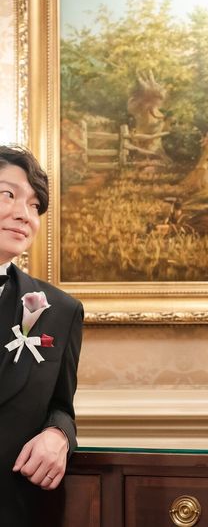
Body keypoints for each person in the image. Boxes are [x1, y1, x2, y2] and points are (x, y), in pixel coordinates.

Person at [0, 146, 83, 526]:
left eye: (35, 206)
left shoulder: (59, 311)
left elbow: (61, 406)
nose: (25, 215)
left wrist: (58, 434)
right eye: (8, 194)